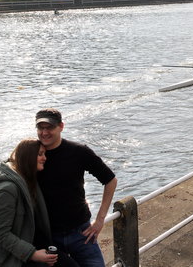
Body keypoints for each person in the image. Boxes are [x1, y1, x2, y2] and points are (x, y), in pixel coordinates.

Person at [0, 138, 78, 267]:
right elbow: (1, 233)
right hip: (10, 257)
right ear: (28, 157)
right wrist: (33, 254)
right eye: (40, 154)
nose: (44, 158)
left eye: (44, 154)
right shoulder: (8, 189)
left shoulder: (28, 179)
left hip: (31, 243)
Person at [35, 109, 117, 267]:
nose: (44, 133)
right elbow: (9, 179)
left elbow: (110, 180)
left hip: (81, 233)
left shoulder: (79, 152)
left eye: (49, 128)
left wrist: (100, 220)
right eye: (40, 128)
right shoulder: (31, 153)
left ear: (61, 126)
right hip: (48, 235)